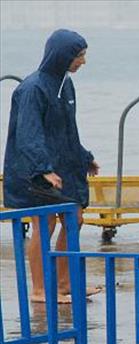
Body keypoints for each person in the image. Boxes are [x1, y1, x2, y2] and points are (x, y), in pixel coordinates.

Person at [3, 29, 101, 304]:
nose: (82, 61)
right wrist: (43, 169)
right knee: (44, 224)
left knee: (74, 219)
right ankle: (39, 289)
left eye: (83, 55)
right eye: (78, 56)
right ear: (61, 55)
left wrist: (84, 156)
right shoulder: (32, 88)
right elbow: (28, 134)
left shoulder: (65, 84)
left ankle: (63, 282)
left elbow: (67, 130)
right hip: (34, 170)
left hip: (63, 165)